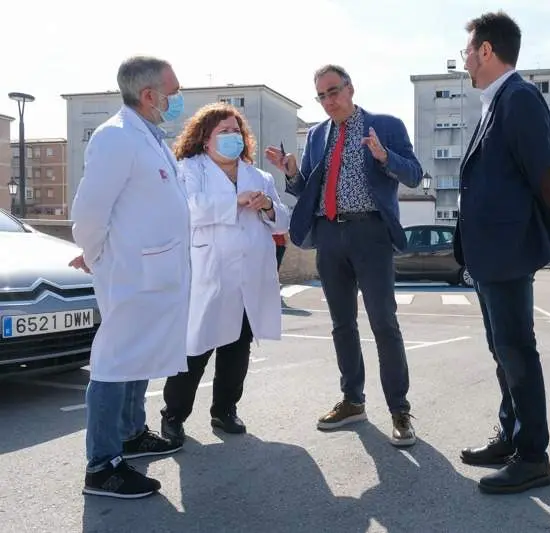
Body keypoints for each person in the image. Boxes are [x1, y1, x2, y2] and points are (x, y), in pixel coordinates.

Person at [265, 64, 422, 447]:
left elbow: (415, 175)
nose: (328, 101)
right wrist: (290, 173)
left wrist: (385, 157)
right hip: (329, 235)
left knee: (384, 323)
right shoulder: (317, 135)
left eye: (333, 91)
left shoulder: (385, 125)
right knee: (341, 324)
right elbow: (309, 189)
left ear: (350, 89)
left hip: (371, 233)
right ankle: (353, 400)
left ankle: (399, 409)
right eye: (321, 96)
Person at [454, 12, 550, 494]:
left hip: (506, 248)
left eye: (467, 51)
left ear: (486, 50)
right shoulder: (494, 101)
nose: (464, 60)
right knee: (502, 349)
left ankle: (532, 456)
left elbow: (543, 170)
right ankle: (511, 436)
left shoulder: (519, 98)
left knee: (517, 350)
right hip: (488, 251)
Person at [70, 55, 189, 499]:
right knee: (115, 362)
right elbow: (88, 213)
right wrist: (97, 256)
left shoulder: (151, 139)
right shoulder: (116, 138)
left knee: (139, 357)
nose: (178, 100)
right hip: (130, 272)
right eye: (173, 92)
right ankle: (102, 465)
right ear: (149, 95)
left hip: (153, 270)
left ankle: (130, 434)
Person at [159, 103, 290, 444]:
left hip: (250, 273)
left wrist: (267, 206)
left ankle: (224, 410)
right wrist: (235, 201)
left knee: (238, 346)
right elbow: (187, 209)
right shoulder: (189, 169)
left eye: (236, 131)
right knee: (196, 347)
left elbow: (282, 220)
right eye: (224, 131)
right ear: (205, 140)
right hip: (209, 271)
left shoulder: (258, 175)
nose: (233, 137)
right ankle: (173, 416)